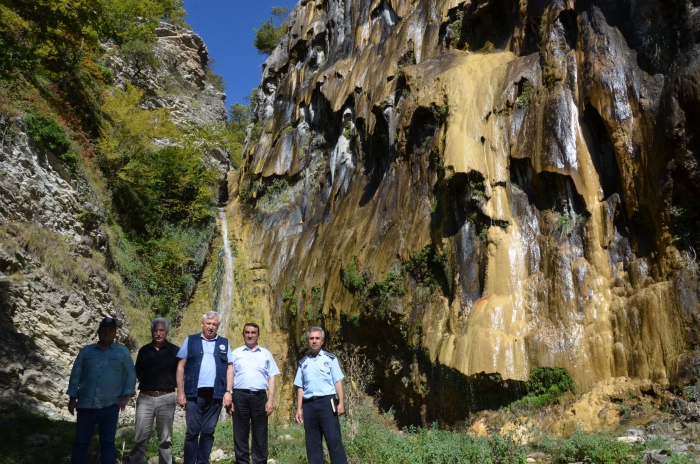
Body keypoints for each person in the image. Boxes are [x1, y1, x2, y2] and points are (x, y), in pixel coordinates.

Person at [67, 317, 136, 464]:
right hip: (86, 406)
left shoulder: (122, 352)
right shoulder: (86, 351)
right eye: (104, 329)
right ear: (98, 332)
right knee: (80, 442)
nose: (107, 332)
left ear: (115, 333)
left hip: (110, 406)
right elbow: (76, 375)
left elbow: (131, 374)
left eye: (110, 330)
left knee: (107, 443)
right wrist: (72, 399)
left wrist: (126, 397)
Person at [176, 311, 233, 464]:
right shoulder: (191, 340)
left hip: (216, 394)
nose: (211, 327)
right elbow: (181, 367)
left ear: (218, 326)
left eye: (214, 324)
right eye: (208, 323)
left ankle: (203, 462)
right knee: (192, 431)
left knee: (208, 431)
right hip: (193, 393)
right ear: (202, 324)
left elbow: (230, 368)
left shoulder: (224, 343)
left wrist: (228, 391)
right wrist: (180, 391)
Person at [129, 318, 180, 464]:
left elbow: (180, 373)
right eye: (155, 330)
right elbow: (137, 372)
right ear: (152, 332)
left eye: (161, 330)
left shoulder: (175, 351)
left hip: (167, 397)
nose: (158, 333)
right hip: (146, 397)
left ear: (167, 331)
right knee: (140, 437)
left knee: (165, 438)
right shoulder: (144, 350)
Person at [228, 322, 280, 464]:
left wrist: (270, 399)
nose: (250, 335)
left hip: (259, 397)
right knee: (240, 433)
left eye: (253, 333)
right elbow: (230, 374)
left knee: (260, 434)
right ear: (243, 334)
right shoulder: (235, 353)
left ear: (258, 335)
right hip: (239, 396)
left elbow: (272, 377)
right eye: (247, 332)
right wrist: (229, 395)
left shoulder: (266, 354)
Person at [294, 327, 348, 464]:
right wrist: (299, 408)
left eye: (317, 338)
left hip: (327, 403)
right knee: (312, 444)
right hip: (309, 405)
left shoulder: (330, 359)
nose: (314, 341)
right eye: (311, 338)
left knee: (334, 440)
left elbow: (337, 381)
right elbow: (300, 387)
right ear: (308, 341)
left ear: (322, 341)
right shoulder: (303, 362)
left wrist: (341, 402)